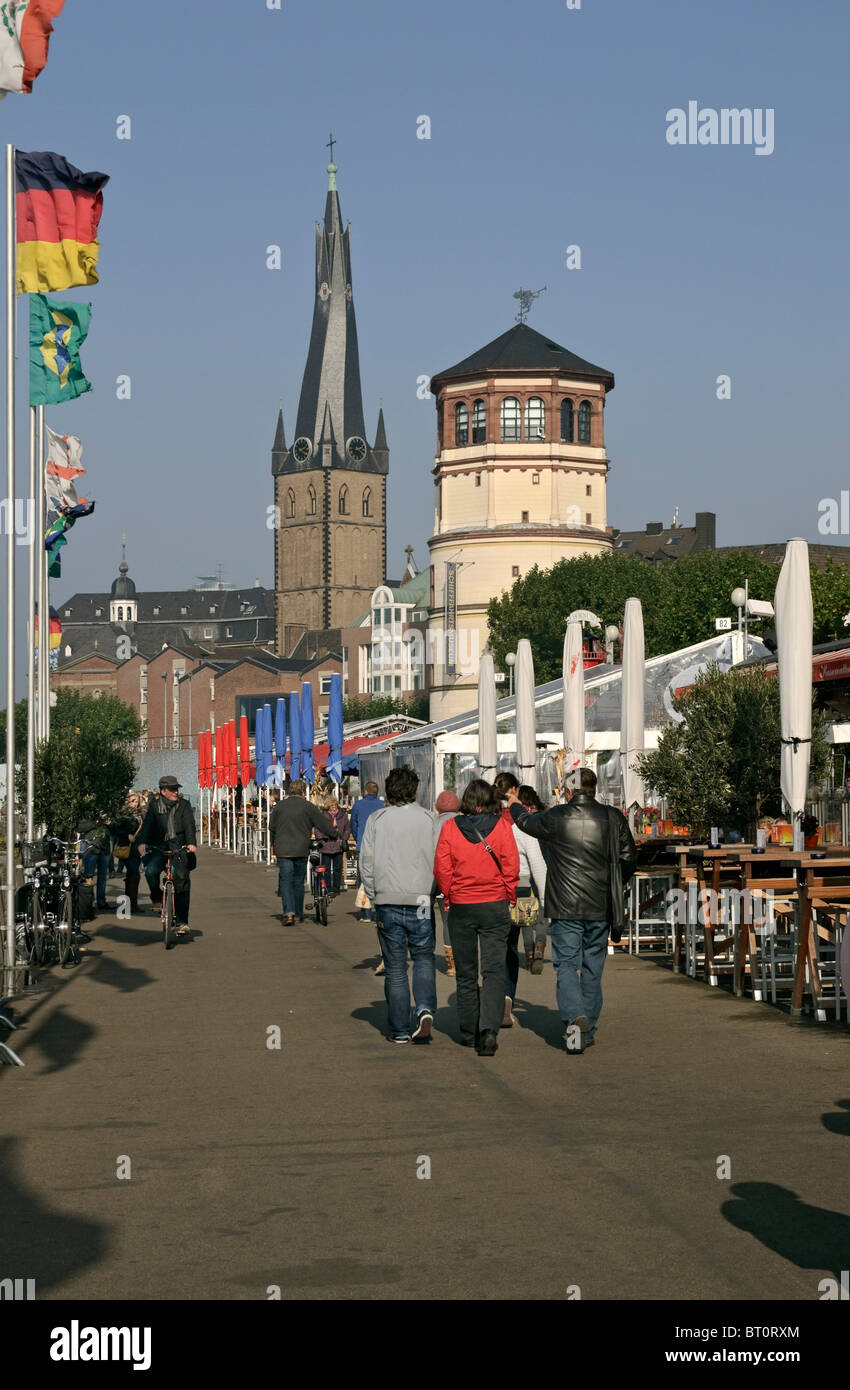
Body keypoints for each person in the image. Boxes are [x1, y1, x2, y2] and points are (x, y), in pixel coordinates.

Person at [507, 766, 636, 1053]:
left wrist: (514, 804)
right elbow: (629, 858)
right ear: (594, 789)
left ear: (568, 790)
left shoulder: (557, 816)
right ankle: (582, 1035)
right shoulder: (613, 817)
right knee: (592, 970)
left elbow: (526, 823)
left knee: (567, 966)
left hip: (565, 907)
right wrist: (613, 880)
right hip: (601, 906)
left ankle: (575, 1018)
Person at [434, 778, 519, 1057]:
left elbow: (442, 868)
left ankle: (469, 1030)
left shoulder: (450, 827)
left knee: (466, 973)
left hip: (462, 905)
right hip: (494, 904)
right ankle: (489, 1030)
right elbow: (510, 865)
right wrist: (508, 893)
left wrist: (449, 895)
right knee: (494, 971)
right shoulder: (503, 827)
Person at [359, 766, 440, 1045]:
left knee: (395, 966)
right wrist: (432, 892)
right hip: (420, 898)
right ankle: (425, 1007)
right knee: (424, 956)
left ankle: (400, 1029)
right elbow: (440, 861)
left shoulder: (377, 819)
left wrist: (373, 894)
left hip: (387, 898)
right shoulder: (430, 819)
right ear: (415, 790)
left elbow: (366, 861)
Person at [503, 785, 549, 1026]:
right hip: (523, 884)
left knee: (507, 946)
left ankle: (504, 998)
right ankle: (533, 951)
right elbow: (537, 864)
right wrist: (546, 899)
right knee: (532, 921)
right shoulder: (526, 827)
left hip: (498, 891)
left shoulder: (498, 825)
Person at [137, 776, 198, 936]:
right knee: (150, 871)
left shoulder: (183, 805)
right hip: (159, 847)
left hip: (178, 847)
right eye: (172, 789)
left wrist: (191, 843)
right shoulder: (155, 806)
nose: (176, 792)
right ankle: (156, 898)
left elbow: (189, 825)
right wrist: (142, 842)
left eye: (177, 789)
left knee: (182, 881)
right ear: (163, 791)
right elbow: (148, 825)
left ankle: (182, 922)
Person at [269, 780, 336, 924]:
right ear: (302, 792)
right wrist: (335, 836)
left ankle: (288, 913)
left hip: (283, 850)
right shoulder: (308, 806)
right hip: (301, 848)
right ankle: (298, 913)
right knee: (298, 882)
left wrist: (272, 845)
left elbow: (272, 827)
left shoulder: (279, 806)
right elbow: (322, 823)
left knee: (286, 881)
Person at [434, 790, 461, 975]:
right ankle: (463, 958)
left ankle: (451, 962)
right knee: (462, 922)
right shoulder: (463, 822)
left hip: (438, 880)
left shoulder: (432, 823)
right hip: (461, 880)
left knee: (446, 921)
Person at [312, 796, 351, 898]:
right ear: (328, 806)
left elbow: (347, 828)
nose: (333, 808)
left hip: (338, 844)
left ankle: (336, 889)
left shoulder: (342, 815)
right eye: (331, 806)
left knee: (338, 868)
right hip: (326, 846)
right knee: (327, 869)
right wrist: (322, 839)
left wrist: (344, 838)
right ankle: (328, 888)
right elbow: (317, 829)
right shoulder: (323, 816)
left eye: (335, 805)